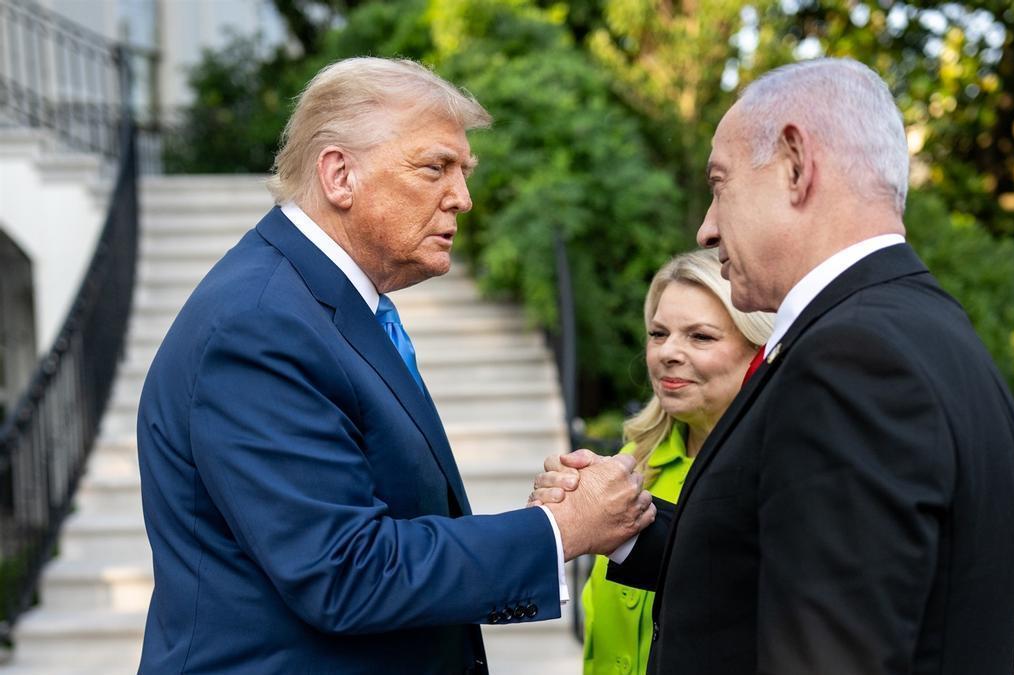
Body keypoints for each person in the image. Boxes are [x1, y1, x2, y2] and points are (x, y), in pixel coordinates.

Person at [135, 57, 654, 674]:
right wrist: (558, 529)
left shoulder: (316, 302)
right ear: (339, 175)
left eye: (463, 172)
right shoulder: (261, 322)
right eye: (435, 168)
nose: (462, 198)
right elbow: (344, 572)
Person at [534, 58, 1014, 674]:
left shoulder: (850, 360)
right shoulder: (931, 327)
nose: (707, 228)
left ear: (796, 166)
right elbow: (775, 567)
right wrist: (631, 526)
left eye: (720, 185)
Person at [580, 249, 772, 675]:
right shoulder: (628, 468)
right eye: (658, 333)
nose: (668, 352)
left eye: (700, 336)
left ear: (758, 347)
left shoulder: (777, 476)